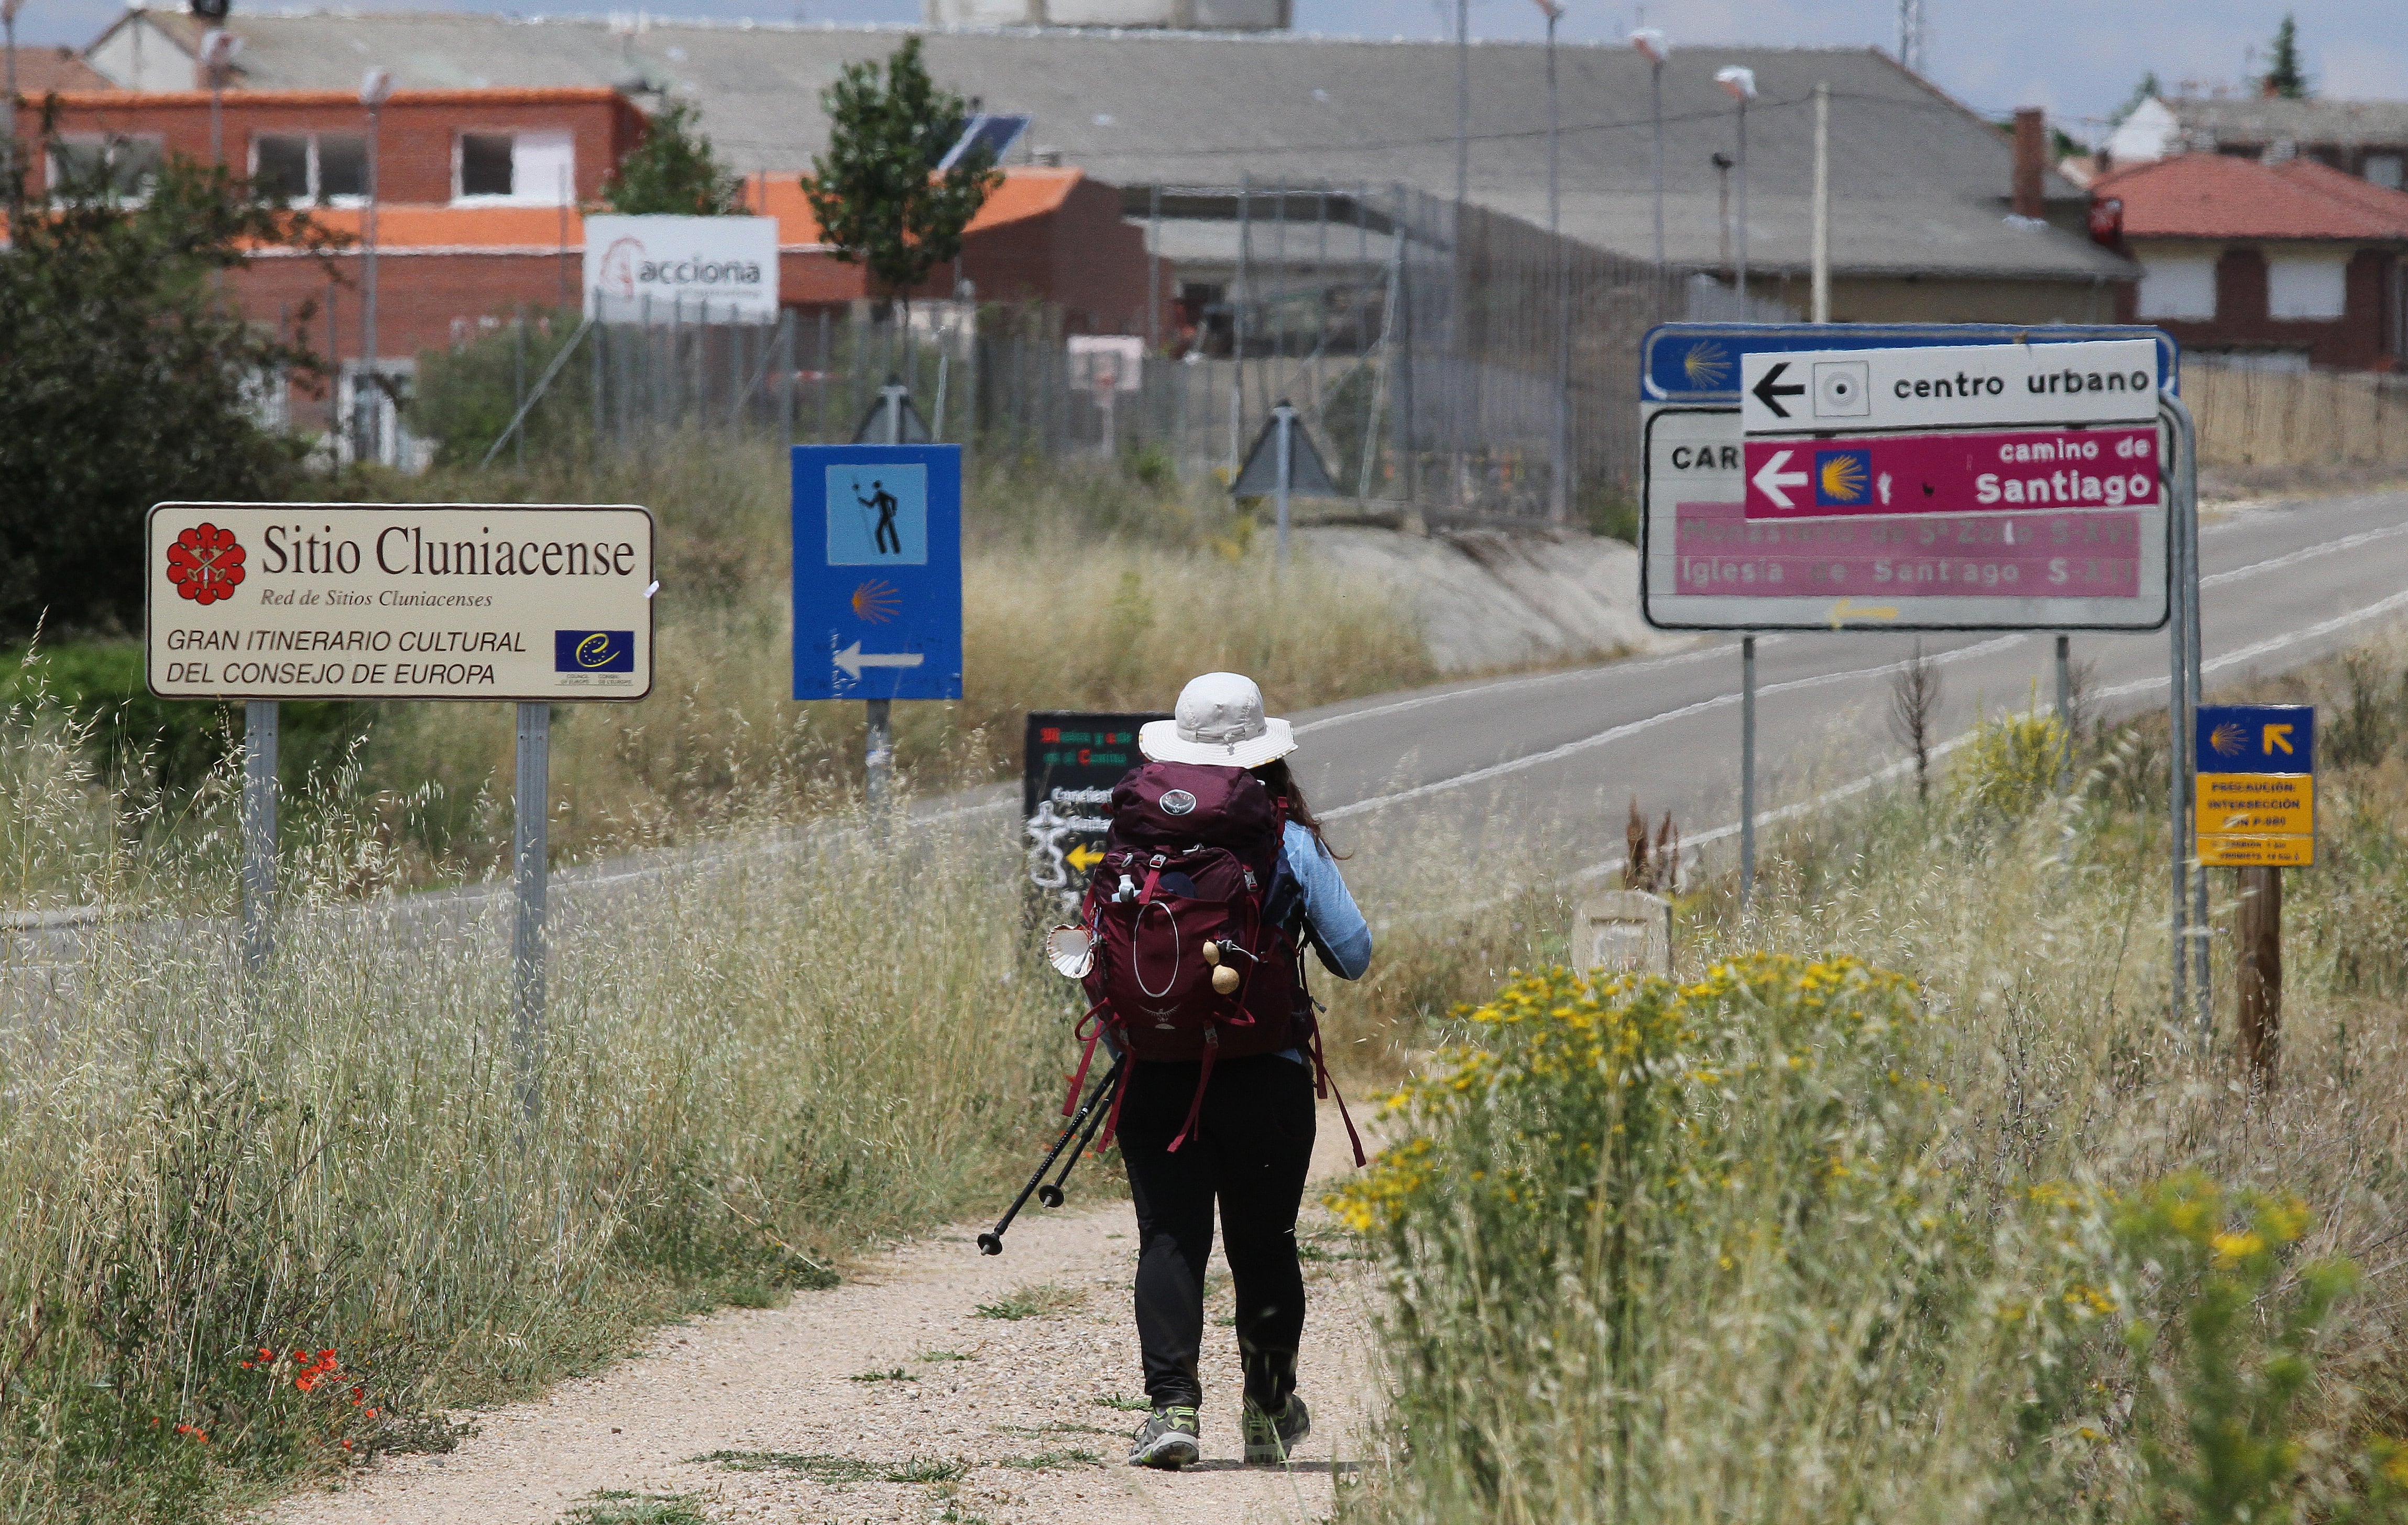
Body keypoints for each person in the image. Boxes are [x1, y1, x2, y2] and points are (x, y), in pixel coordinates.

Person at [1119, 672, 1372, 1470]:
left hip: (1156, 1067)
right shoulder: (1285, 838)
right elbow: (1354, 953)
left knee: (1170, 1235)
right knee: (1264, 1242)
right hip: (1266, 1072)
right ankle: (1266, 1409)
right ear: (1265, 752)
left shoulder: (1138, 839)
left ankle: (1171, 1411)